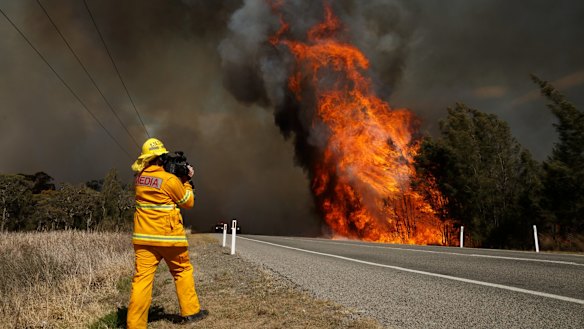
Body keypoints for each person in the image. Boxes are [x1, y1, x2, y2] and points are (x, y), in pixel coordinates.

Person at [126, 138, 208, 328]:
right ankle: (190, 312)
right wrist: (186, 180)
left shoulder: (138, 179)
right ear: (161, 158)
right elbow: (188, 202)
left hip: (144, 239)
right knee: (182, 271)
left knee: (142, 281)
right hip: (170, 239)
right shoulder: (169, 180)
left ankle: (135, 324)